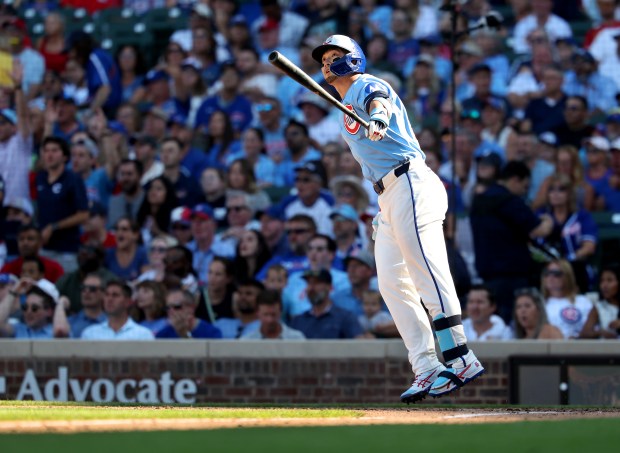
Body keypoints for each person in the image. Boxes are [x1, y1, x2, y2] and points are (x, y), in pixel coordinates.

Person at [311, 34, 483, 402]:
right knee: (391, 282)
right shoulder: (343, 106)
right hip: (389, 196)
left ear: (353, 58)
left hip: (411, 182)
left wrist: (377, 118)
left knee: (426, 271)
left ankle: (460, 357)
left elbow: (380, 102)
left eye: (335, 55)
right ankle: (426, 366)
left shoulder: (366, 84)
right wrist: (383, 207)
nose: (327, 62)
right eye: (323, 58)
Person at [290, 269, 363, 340]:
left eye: (316, 283)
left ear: (329, 287)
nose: (311, 288)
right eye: (309, 283)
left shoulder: (346, 318)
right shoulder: (299, 321)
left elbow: (358, 346)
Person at [81, 280, 154, 340]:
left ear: (127, 302)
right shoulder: (90, 334)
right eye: (107, 295)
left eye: (115, 295)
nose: (109, 299)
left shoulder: (143, 335)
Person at [541, 259, 593, 339]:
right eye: (547, 273)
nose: (550, 277)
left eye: (556, 274)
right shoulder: (539, 304)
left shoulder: (583, 302)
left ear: (567, 276)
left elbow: (593, 330)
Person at [0, 278, 67, 339]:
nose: (28, 312)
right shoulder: (18, 329)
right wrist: (13, 293)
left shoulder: (54, 332)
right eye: (25, 307)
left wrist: (60, 303)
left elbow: (60, 331)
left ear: (49, 311)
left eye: (34, 308)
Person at [156, 288, 222, 339]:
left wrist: (184, 334)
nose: (171, 311)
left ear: (191, 308)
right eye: (168, 308)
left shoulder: (211, 333)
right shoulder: (163, 335)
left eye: (177, 307)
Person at [241, 289, 305, 340]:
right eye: (265, 315)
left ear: (281, 312)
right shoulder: (247, 340)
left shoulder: (297, 338)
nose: (270, 320)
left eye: (273, 314)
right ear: (257, 313)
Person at [579, 264, 620, 339]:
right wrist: (600, 332)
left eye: (609, 280)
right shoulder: (599, 307)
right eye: (602, 281)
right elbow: (584, 333)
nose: (604, 285)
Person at [66, 273, 107, 338]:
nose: (87, 292)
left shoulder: (110, 322)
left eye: (93, 289)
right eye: (83, 288)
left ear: (103, 294)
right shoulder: (70, 322)